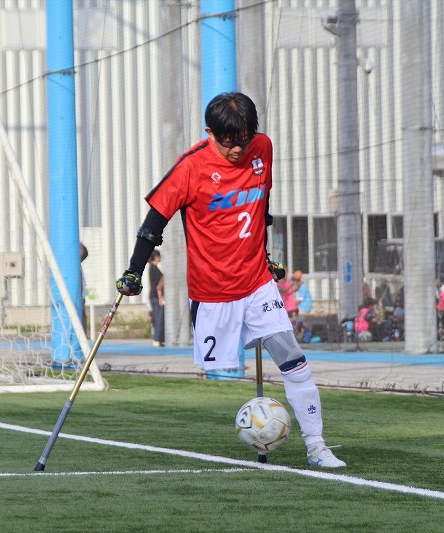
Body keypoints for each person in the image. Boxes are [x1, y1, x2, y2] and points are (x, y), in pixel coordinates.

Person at [115, 92, 345, 468]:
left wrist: (264, 256)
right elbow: (153, 224)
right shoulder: (190, 167)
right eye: (228, 140)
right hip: (212, 293)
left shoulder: (263, 148)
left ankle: (317, 447)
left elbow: (260, 207)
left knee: (294, 361)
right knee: (214, 372)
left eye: (244, 138)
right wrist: (133, 271)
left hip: (256, 283)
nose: (238, 148)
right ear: (210, 133)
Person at [148, 249, 165, 347]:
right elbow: (158, 285)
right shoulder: (153, 269)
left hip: (155, 296)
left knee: (158, 317)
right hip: (156, 296)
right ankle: (157, 338)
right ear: (155, 257)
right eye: (159, 256)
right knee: (158, 317)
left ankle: (159, 338)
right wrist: (160, 297)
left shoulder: (153, 268)